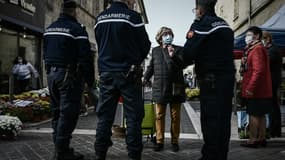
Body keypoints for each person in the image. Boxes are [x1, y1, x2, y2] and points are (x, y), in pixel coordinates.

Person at [94, 0, 151, 159]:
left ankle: (100, 154)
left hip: (106, 73)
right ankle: (133, 155)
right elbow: (145, 45)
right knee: (133, 117)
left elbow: (100, 44)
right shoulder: (132, 17)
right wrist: (135, 60)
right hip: (128, 73)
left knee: (104, 117)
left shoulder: (100, 18)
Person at [182, 0, 235, 159]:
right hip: (227, 80)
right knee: (223, 120)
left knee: (210, 120)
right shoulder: (224, 24)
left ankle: (210, 156)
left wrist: (177, 55)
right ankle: (221, 155)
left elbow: (188, 54)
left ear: (200, 9)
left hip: (211, 81)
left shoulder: (201, 24)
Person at [43, 0, 95, 159]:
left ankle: (60, 148)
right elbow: (86, 57)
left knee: (57, 113)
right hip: (69, 77)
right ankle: (62, 152)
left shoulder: (49, 29)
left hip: (52, 75)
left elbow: (45, 53)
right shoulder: (76, 30)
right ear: (74, 11)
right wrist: (90, 81)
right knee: (68, 114)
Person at [143, 27, 185, 152]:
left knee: (175, 116)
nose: (168, 36)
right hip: (159, 87)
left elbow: (182, 64)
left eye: (170, 34)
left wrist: (173, 56)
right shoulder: (155, 51)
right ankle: (160, 141)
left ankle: (174, 141)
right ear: (160, 37)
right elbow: (151, 67)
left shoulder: (178, 49)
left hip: (175, 87)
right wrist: (145, 78)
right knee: (159, 116)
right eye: (165, 34)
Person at [240, 26, 272, 148]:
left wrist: (250, 88)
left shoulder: (256, 50)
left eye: (249, 35)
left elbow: (258, 71)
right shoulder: (255, 49)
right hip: (261, 90)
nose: (246, 37)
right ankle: (261, 138)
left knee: (253, 114)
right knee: (261, 114)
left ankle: (253, 139)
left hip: (256, 90)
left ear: (257, 36)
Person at [262, 31, 282, 138]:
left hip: (273, 82)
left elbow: (266, 63)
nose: (262, 41)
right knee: (273, 106)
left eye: (263, 39)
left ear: (268, 39)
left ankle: (274, 130)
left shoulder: (272, 50)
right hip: (273, 81)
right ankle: (274, 130)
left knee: (273, 106)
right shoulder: (271, 49)